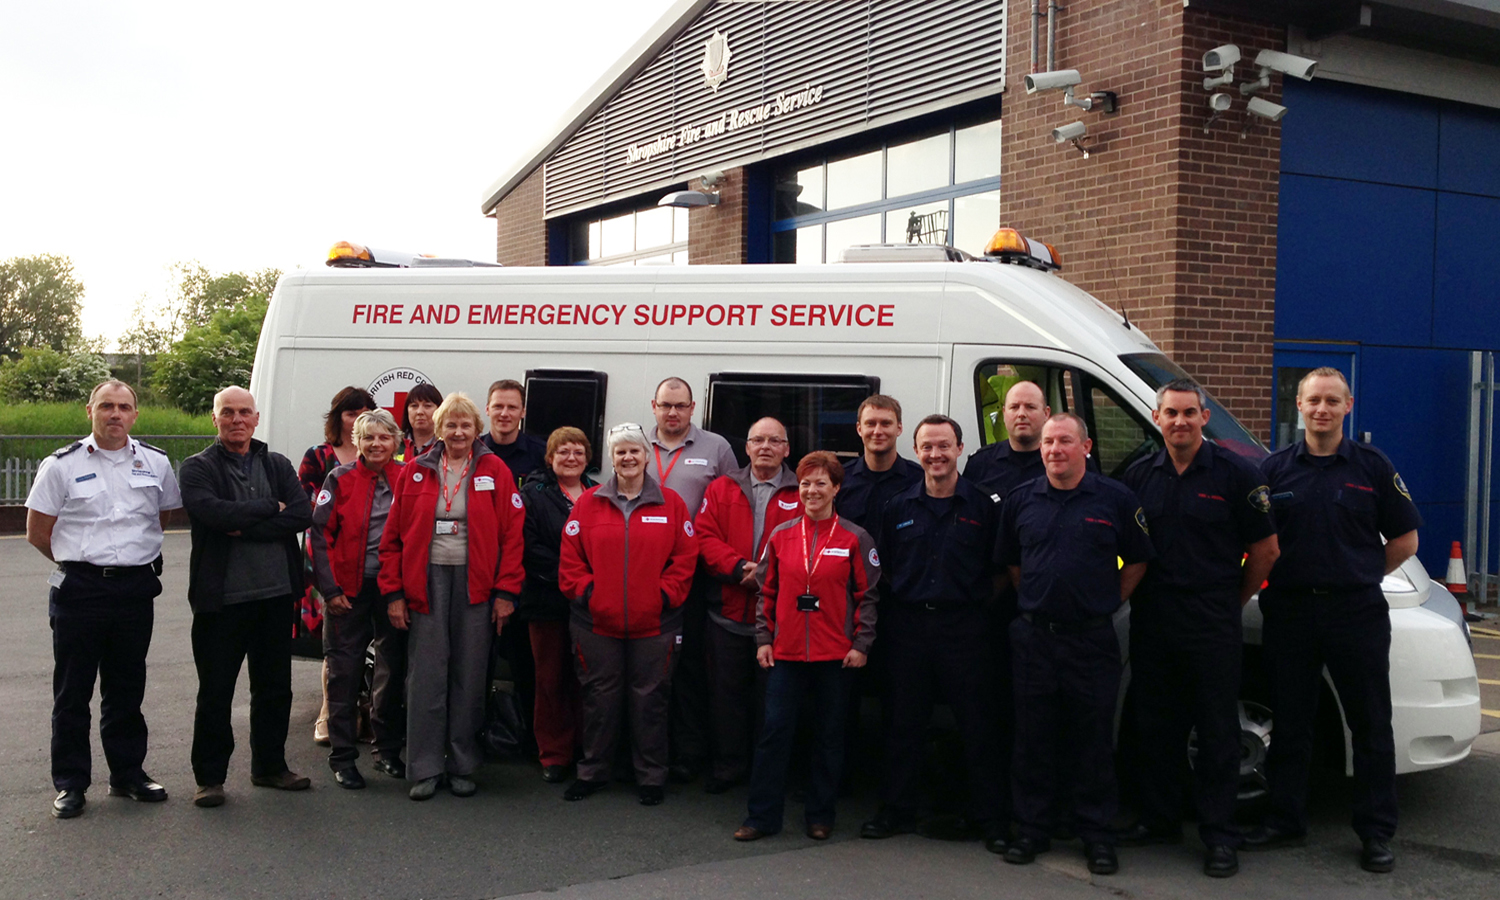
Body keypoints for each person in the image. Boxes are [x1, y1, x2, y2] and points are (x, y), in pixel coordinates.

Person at [1243, 368, 1420, 874]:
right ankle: (1284, 820)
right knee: (1292, 721)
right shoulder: (1272, 471)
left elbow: (1405, 541)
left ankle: (1375, 832)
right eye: (1313, 400)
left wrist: (1361, 573)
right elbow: (1257, 541)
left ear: (1349, 405)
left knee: (1369, 725)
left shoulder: (1373, 467)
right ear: (1298, 405)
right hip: (1292, 612)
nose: (1322, 409)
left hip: (1355, 613)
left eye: (1332, 401)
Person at [1118, 379, 1279, 878]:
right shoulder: (1139, 475)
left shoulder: (1236, 473)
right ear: (1156, 416)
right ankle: (1160, 819)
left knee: (1216, 733)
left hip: (1211, 620)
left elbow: (1267, 550)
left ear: (1204, 417)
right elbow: (1124, 544)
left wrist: (1233, 600)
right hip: (1154, 618)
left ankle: (1218, 836)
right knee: (1156, 727)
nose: (1180, 421)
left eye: (1190, 413)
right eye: (1171, 413)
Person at [995, 413, 1154, 875]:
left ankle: (1097, 835)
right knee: (1032, 739)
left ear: (1085, 447)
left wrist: (1105, 602)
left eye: (1065, 441)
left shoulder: (1116, 499)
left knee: (1093, 741)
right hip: (1034, 638)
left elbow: (1139, 560)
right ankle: (1031, 829)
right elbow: (1012, 562)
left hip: (1091, 639)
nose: (1054, 450)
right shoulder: (1022, 500)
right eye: (1048, 442)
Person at [24, 380, 181, 819]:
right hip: (81, 590)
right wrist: (83, 564)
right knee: (73, 692)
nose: (115, 414)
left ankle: (127, 773)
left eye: (124, 407)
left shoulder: (156, 462)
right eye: (107, 406)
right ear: (88, 410)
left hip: (135, 589)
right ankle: (71, 783)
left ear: (135, 414)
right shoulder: (61, 465)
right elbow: (39, 531)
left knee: (126, 688)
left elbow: (161, 516)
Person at [860, 415, 1007, 852]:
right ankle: (896, 810)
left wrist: (972, 606)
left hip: (966, 630)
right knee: (902, 723)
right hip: (909, 629)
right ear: (916, 451)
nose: (936, 455)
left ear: (960, 449)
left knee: (979, 727)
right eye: (927, 447)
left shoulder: (984, 507)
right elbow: (881, 567)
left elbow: (1001, 571)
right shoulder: (899, 506)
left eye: (944, 446)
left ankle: (991, 818)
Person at [378, 392, 525, 800]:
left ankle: (462, 763)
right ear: (438, 430)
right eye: (450, 425)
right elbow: (391, 539)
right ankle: (423, 766)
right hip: (424, 583)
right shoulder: (416, 471)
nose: (458, 432)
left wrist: (506, 592)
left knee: (469, 674)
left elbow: (513, 536)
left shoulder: (495, 470)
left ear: (476, 430)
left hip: (477, 584)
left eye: (465, 425)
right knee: (425, 676)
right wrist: (393, 593)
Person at [733, 451, 879, 842]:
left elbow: (869, 596)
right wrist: (763, 639)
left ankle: (820, 814)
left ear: (836, 489)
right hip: (787, 654)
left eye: (820, 483)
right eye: (805, 484)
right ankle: (761, 817)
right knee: (774, 733)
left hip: (836, 656)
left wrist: (861, 643)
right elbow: (767, 592)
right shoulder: (780, 537)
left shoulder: (855, 538)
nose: (811, 491)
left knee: (829, 736)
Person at [180, 386, 315, 808]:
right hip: (222, 601)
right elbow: (213, 513)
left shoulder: (276, 464)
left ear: (256, 419)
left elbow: (301, 513)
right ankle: (210, 778)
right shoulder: (196, 468)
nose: (237, 420)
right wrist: (267, 509)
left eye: (244, 413)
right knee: (216, 691)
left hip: (276, 596)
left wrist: (248, 521)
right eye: (228, 413)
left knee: (275, 688)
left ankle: (270, 767)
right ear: (215, 419)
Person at [558, 422, 698, 805]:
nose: (628, 457)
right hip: (596, 624)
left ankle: (651, 776)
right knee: (599, 700)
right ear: (612, 458)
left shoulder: (672, 504)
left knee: (650, 702)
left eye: (634, 450)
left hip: (655, 624)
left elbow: (685, 559)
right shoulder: (587, 504)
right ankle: (592, 772)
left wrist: (663, 596)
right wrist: (590, 594)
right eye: (620, 452)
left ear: (646, 455)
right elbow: (570, 562)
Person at [695, 417, 801, 793]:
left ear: (787, 449)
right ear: (747, 447)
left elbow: (809, 544)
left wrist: (766, 575)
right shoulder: (721, 488)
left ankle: (768, 772)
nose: (765, 447)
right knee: (726, 700)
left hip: (777, 623)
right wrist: (739, 567)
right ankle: (728, 768)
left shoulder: (801, 492)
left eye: (775, 441)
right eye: (758, 440)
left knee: (772, 703)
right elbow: (703, 538)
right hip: (726, 615)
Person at [308, 409, 409, 789]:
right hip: (347, 591)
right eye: (368, 438)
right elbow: (319, 536)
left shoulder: (407, 477)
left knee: (391, 668)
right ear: (357, 442)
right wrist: (329, 590)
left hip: (392, 589)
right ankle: (343, 757)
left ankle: (386, 751)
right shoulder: (340, 478)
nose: (376, 444)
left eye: (384, 438)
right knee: (344, 672)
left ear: (396, 442)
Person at [644, 376, 737, 784]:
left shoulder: (717, 449)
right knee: (648, 668)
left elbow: (733, 505)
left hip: (694, 575)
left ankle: (690, 752)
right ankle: (648, 751)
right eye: (666, 405)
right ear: (654, 405)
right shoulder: (634, 444)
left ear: (693, 407)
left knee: (690, 668)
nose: (673, 413)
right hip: (642, 571)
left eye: (680, 406)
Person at [298, 386, 377, 746]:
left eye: (365, 412)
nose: (357, 419)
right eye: (350, 413)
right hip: (327, 561)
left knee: (373, 646)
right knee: (337, 644)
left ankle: (366, 711)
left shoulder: (383, 454)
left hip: (370, 564)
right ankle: (329, 713)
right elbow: (305, 507)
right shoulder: (319, 457)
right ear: (338, 418)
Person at [518, 426, 597, 784]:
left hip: (589, 604)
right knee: (550, 679)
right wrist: (570, 576)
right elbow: (528, 546)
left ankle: (585, 748)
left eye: (578, 452)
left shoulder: (599, 494)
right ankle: (554, 753)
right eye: (563, 451)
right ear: (550, 458)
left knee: (588, 680)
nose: (571, 458)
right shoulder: (533, 494)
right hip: (547, 600)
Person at [837, 395, 922, 539]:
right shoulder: (840, 479)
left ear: (899, 428)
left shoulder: (920, 480)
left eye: (886, 424)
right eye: (870, 423)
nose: (877, 431)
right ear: (859, 429)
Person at [480, 379, 547, 483]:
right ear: (487, 409)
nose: (504, 414)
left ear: (523, 412)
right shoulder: (473, 451)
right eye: (498, 406)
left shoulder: (542, 454)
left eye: (512, 407)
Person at [400, 383, 443, 462]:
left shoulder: (446, 447)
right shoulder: (394, 446)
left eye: (427, 406)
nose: (419, 412)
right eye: (414, 406)